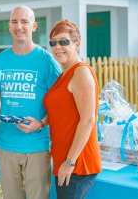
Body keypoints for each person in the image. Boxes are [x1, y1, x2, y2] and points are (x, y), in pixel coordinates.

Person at [0, 6, 61, 199]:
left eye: (24, 22)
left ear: (34, 26)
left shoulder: (47, 61)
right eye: (14, 21)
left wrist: (41, 123)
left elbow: (60, 105)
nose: (19, 26)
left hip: (37, 145)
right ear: (9, 26)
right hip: (5, 144)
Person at [43, 19, 102, 199]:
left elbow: (88, 120)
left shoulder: (80, 72)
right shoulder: (64, 74)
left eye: (64, 41)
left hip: (78, 162)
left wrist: (69, 162)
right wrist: (40, 123)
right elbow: (63, 110)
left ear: (77, 43)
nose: (57, 47)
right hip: (65, 158)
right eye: (53, 43)